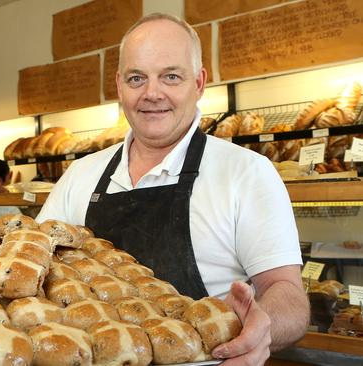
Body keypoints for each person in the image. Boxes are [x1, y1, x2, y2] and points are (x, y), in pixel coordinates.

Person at [37, 13, 309, 366]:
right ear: (119, 85)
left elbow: (288, 294)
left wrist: (265, 326)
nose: (152, 93)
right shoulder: (80, 175)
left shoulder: (246, 172)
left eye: (171, 76)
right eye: (137, 78)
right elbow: (34, 259)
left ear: (198, 83)